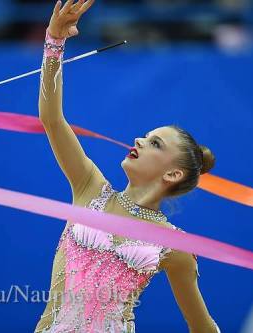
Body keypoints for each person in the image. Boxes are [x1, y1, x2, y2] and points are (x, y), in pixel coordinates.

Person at [35, 1, 220, 332]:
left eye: (155, 144)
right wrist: (54, 42)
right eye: (146, 136)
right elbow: (51, 118)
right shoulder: (89, 187)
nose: (139, 140)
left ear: (173, 174)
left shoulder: (174, 245)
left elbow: (202, 326)